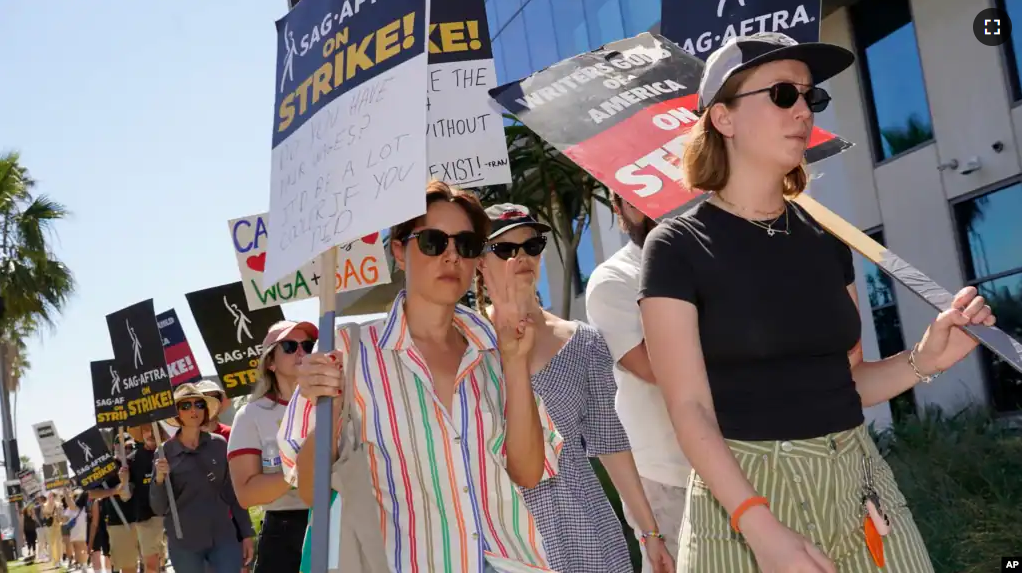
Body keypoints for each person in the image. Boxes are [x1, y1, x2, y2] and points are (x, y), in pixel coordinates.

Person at [638, 32, 998, 573]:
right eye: (783, 94)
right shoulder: (678, 246)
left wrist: (926, 359)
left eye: (811, 96)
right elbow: (689, 408)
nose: (804, 109)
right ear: (724, 118)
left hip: (860, 485)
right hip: (746, 502)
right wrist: (759, 526)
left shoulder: (827, 240)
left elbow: (848, 380)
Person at [278, 180, 562, 573]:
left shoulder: (496, 350)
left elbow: (528, 473)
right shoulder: (349, 352)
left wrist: (515, 361)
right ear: (399, 251)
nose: (451, 256)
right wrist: (333, 402)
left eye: (465, 245)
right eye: (433, 241)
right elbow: (310, 489)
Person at [475, 203, 673, 573]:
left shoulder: (583, 342)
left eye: (532, 246)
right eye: (504, 249)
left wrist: (650, 535)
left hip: (583, 524)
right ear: (480, 262)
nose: (521, 257)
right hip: (501, 531)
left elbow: (611, 443)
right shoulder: (465, 344)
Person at [585, 193, 693, 571]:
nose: (650, 205)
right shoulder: (612, 280)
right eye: (632, 199)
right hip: (668, 477)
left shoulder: (714, 262)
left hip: (744, 459)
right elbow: (656, 369)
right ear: (618, 210)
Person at [228, 320, 315, 572]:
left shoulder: (334, 404)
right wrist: (301, 469)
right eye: (289, 346)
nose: (301, 352)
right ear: (270, 363)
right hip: (286, 530)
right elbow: (246, 495)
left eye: (308, 346)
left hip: (339, 521)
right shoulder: (250, 415)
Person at [151, 383, 254, 572]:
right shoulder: (164, 453)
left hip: (224, 538)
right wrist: (159, 478)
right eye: (185, 406)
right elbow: (159, 507)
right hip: (185, 544)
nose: (193, 410)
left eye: (199, 404)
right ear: (177, 413)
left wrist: (246, 534)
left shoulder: (220, 445)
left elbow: (233, 494)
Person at [123, 424, 170, 573]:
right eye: (145, 430)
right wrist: (123, 482)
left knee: (178, 559)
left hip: (172, 513)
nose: (149, 434)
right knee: (150, 564)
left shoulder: (171, 451)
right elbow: (125, 496)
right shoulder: (132, 459)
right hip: (146, 517)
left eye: (153, 429)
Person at [91, 438, 139, 573]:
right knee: (128, 567)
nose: (127, 449)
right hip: (119, 523)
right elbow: (91, 493)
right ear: (115, 445)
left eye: (129, 446)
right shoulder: (105, 467)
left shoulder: (137, 462)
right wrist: (114, 490)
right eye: (123, 445)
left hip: (143, 519)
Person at [63, 489, 89, 569]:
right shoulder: (87, 507)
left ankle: (82, 564)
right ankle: (83, 564)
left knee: (78, 547)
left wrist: (66, 494)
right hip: (84, 529)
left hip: (77, 529)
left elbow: (65, 519)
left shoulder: (73, 507)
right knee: (82, 547)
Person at [87, 491, 111, 573]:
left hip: (108, 535)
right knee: (108, 557)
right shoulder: (97, 502)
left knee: (108, 557)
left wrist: (90, 545)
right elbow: (94, 524)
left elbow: (94, 524)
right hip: (106, 535)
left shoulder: (97, 502)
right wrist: (90, 545)